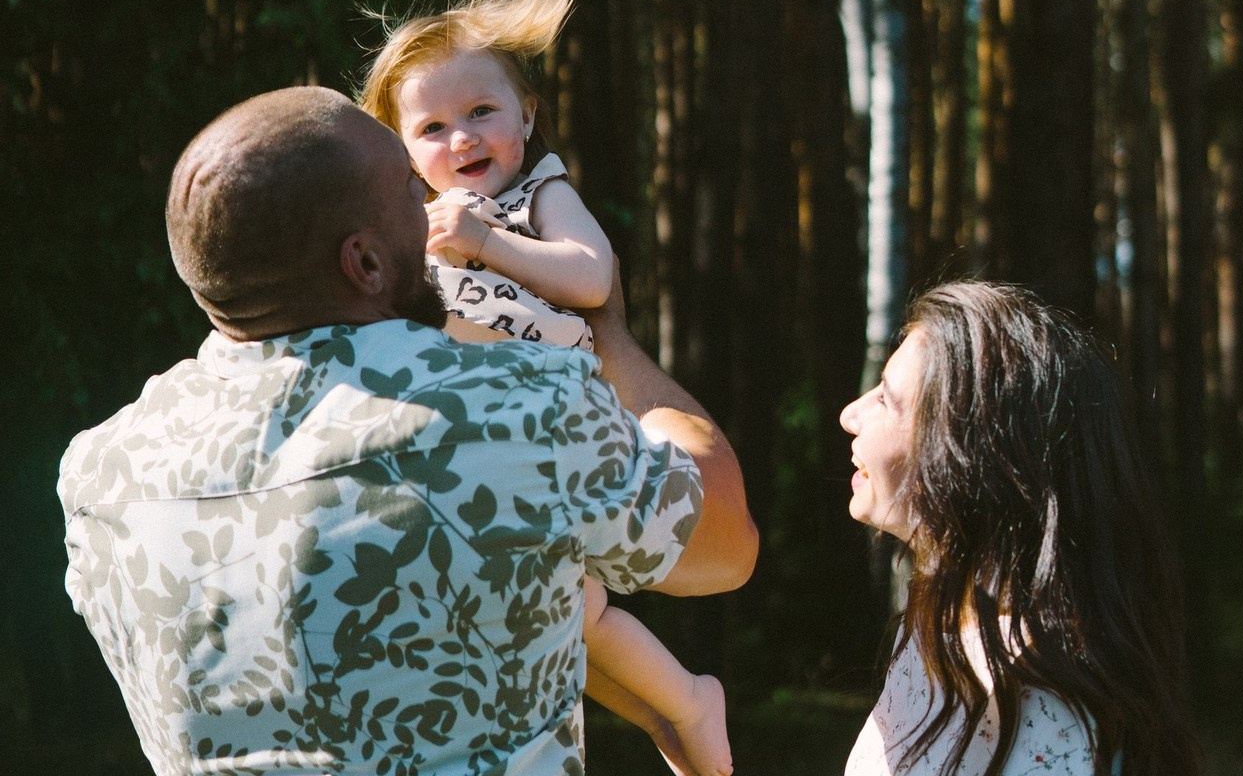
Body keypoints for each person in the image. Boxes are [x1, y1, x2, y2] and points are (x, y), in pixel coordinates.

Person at [57, 87, 757, 776]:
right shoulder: (519, 407)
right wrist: (609, 339)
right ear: (365, 262)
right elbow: (724, 543)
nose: (432, 214)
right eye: (409, 191)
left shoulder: (102, 475)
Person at [358, 0, 734, 776]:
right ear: (399, 150)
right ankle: (673, 710)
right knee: (560, 606)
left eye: (482, 113)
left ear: (526, 115)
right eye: (432, 127)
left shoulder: (537, 195)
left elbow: (592, 278)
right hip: (483, 440)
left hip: (562, 413)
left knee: (575, 604)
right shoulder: (418, 230)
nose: (462, 140)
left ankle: (690, 700)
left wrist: (488, 243)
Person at [839, 280, 1202, 776]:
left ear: (972, 457)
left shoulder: (1053, 716)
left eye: (887, 398)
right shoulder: (938, 634)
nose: (850, 414)